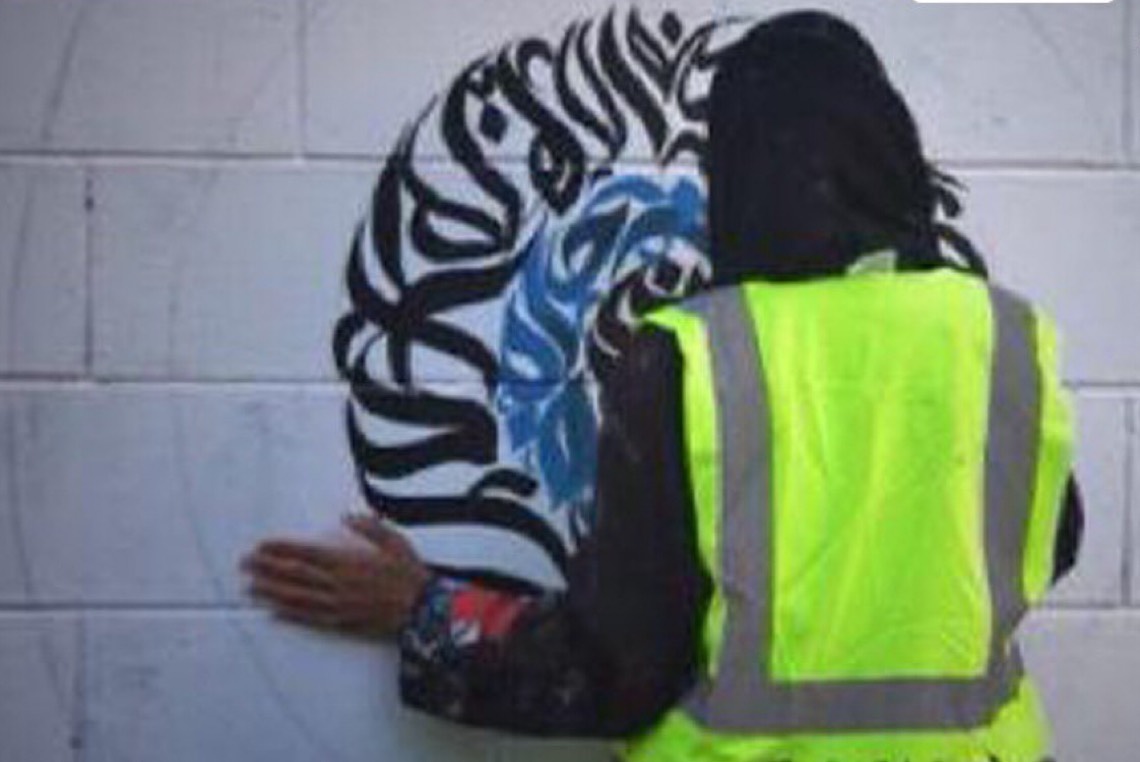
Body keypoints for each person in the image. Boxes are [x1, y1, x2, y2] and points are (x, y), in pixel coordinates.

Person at [242, 11, 1083, 761]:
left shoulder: (698, 354)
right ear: (891, 153)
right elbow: (1055, 539)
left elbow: (615, 671)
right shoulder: (1000, 336)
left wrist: (427, 612)